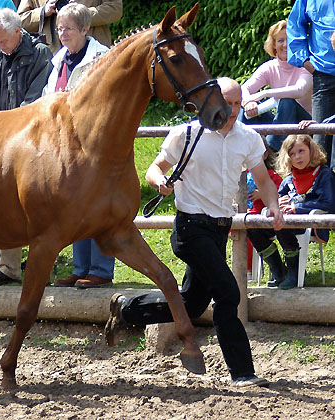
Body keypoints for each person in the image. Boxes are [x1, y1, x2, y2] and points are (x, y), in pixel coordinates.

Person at [105, 78, 285, 387]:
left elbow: (264, 179)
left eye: (236, 104)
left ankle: (127, 309)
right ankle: (242, 372)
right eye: (225, 103)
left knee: (191, 303)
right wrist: (160, 181)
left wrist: (273, 207)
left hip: (218, 230)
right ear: (209, 101)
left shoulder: (248, 138)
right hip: (190, 228)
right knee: (228, 293)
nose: (231, 110)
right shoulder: (186, 134)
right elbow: (154, 168)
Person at [0, 8, 52, 286]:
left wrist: (5, 126)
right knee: (5, 202)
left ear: (18, 31)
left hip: (31, 140)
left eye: (3, 40)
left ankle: (40, 261)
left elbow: (35, 101)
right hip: (0, 139)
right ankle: (8, 268)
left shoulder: (41, 54)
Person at [39, 3, 114, 288]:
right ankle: (81, 268)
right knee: (76, 207)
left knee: (97, 206)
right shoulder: (58, 59)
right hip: (66, 144)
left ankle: (101, 270)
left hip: (94, 144)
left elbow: (106, 101)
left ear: (85, 29)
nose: (62, 33)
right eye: (59, 28)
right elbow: (49, 95)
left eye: (68, 28)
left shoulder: (102, 58)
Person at [250, 134, 335, 290]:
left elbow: (329, 203)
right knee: (253, 227)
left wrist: (297, 208)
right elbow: (279, 198)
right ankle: (278, 269)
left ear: (311, 150)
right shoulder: (288, 179)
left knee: (282, 223)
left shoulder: (324, 174)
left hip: (311, 223)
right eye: (292, 154)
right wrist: (277, 204)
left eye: (301, 151)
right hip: (286, 222)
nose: (297, 157)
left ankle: (293, 272)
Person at [239, 20, 312, 152]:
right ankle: (241, 152)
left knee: (287, 102)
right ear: (273, 45)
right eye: (280, 41)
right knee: (246, 110)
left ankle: (271, 151)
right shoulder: (270, 67)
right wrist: (248, 103)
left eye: (289, 40)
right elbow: (243, 89)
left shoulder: (305, 64)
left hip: (305, 125)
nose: (285, 45)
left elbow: (300, 90)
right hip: (282, 123)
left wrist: (265, 93)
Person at [287, 0, 335, 166]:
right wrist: (305, 60)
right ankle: (322, 190)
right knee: (320, 144)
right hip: (323, 74)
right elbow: (294, 25)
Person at [17, 0, 122, 54]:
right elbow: (20, 21)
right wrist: (43, 12)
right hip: (52, 58)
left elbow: (115, 9)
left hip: (93, 54)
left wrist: (78, 14)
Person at [245, 140, 283, 285]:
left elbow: (280, 191)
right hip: (246, 213)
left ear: (266, 155)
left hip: (262, 215)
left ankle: (251, 269)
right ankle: (247, 267)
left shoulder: (270, 175)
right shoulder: (244, 175)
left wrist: (262, 194)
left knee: (250, 232)